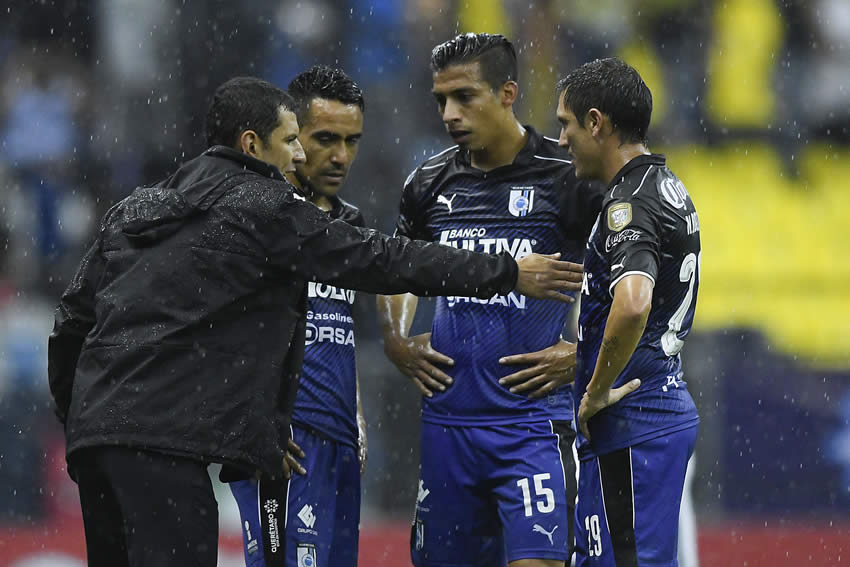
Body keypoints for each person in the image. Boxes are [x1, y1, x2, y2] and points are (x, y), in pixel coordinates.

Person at [47, 76, 585, 567]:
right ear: (253, 145)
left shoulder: (141, 206)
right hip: (173, 445)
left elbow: (73, 318)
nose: (305, 154)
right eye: (294, 141)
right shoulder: (263, 204)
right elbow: (385, 261)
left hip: (103, 441)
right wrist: (507, 270)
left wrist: (83, 417)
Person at [377, 33, 603, 567]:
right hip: (449, 425)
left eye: (464, 97)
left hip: (533, 425)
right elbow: (395, 268)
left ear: (507, 93)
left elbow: (630, 278)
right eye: (440, 101)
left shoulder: (566, 178)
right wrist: (395, 340)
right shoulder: (428, 183)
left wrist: (582, 351)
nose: (449, 114)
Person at [555, 58, 701, 566]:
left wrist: (594, 392)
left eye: (566, 124)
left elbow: (634, 301)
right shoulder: (665, 186)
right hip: (652, 416)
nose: (561, 139)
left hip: (634, 423)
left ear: (597, 123)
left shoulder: (629, 203)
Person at [228, 65, 368, 567]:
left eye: (351, 140)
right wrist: (256, 418)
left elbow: (340, 331)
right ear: (289, 138)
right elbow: (221, 331)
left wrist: (354, 411)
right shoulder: (255, 220)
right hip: (283, 443)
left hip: (339, 443)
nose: (340, 156)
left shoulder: (349, 224)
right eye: (325, 139)